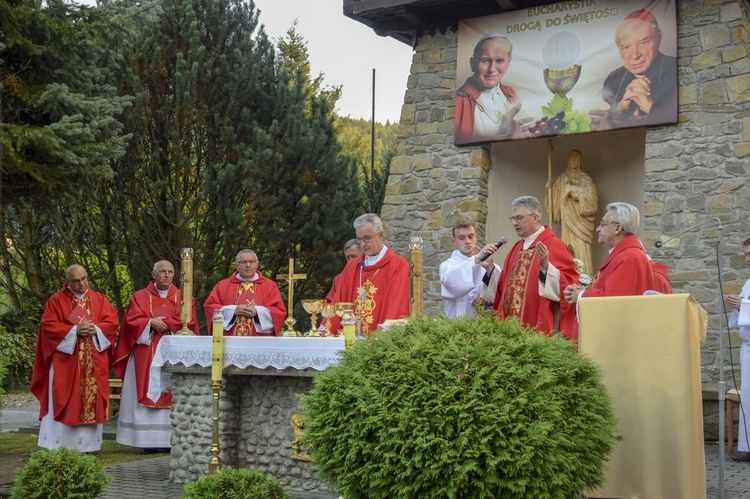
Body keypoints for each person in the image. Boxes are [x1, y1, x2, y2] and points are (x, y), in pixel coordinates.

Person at [112, 260, 200, 451]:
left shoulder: (184, 298)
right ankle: (146, 442)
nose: (167, 275)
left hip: (174, 352)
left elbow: (190, 324)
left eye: (170, 272)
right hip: (146, 353)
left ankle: (171, 440)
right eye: (162, 272)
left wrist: (168, 323)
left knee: (173, 391)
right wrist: (150, 322)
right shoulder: (139, 297)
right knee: (145, 390)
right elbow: (130, 323)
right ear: (153, 274)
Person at [30, 264, 119, 452]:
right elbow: (48, 327)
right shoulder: (56, 301)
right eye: (76, 281)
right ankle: (60, 445)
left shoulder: (99, 299)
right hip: (66, 364)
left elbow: (112, 322)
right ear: (67, 282)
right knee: (64, 397)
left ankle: (89, 447)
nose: (82, 284)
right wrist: (74, 330)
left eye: (84, 278)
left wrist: (95, 329)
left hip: (94, 363)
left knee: (91, 399)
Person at [492, 196, 579, 338]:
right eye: (513, 218)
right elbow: (504, 286)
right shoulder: (516, 248)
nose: (515, 223)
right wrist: (489, 269)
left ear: (535, 217)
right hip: (511, 324)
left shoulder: (553, 244)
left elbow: (569, 284)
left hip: (539, 324)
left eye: (519, 218)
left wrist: (546, 268)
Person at [593, 9, 677, 129]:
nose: (635, 55)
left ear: (658, 37)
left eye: (643, 43)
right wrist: (621, 107)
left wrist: (650, 106)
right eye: (626, 47)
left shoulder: (675, 68)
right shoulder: (613, 79)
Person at [563, 202, 663, 304]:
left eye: (603, 224)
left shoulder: (629, 257)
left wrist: (580, 295)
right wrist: (580, 292)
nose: (598, 229)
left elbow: (613, 300)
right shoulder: (625, 254)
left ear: (618, 228)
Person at [329, 213, 410, 334]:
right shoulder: (352, 266)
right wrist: (328, 328)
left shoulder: (398, 265)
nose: (362, 244)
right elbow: (338, 301)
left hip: (379, 341)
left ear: (380, 235)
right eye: (359, 239)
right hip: (350, 338)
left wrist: (384, 336)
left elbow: (397, 304)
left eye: (367, 238)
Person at [455, 33, 533, 144]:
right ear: (473, 64)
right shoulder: (460, 101)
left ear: (508, 63)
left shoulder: (510, 94)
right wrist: (499, 136)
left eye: (500, 61)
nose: (492, 69)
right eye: (486, 60)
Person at [203, 249, 286, 335]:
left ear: (257, 264)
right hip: (229, 339)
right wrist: (233, 310)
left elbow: (279, 312)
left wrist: (257, 311)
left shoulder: (270, 286)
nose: (248, 265)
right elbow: (210, 307)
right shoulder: (222, 285)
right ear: (236, 265)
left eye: (252, 262)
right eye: (243, 262)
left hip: (259, 340)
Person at [545, 149, 598, 276]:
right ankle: (569, 276)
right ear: (568, 160)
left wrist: (574, 191)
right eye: (571, 157)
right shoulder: (562, 178)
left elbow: (592, 197)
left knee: (581, 247)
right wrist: (550, 190)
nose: (574, 159)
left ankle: (585, 277)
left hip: (581, 222)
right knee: (567, 246)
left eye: (576, 157)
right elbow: (555, 199)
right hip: (567, 221)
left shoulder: (585, 177)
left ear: (580, 160)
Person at [440, 221, 501, 318]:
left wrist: (487, 299)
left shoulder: (491, 265)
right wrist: (476, 259)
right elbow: (452, 283)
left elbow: (501, 293)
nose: (467, 241)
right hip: (456, 323)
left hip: (484, 323)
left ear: (476, 237)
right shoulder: (447, 266)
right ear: (453, 241)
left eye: (471, 236)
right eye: (461, 238)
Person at [725, 238, 750, 462]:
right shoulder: (749, 282)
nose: (747, 259)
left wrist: (744, 306)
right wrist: (739, 302)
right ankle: (749, 446)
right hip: (748, 349)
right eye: (745, 254)